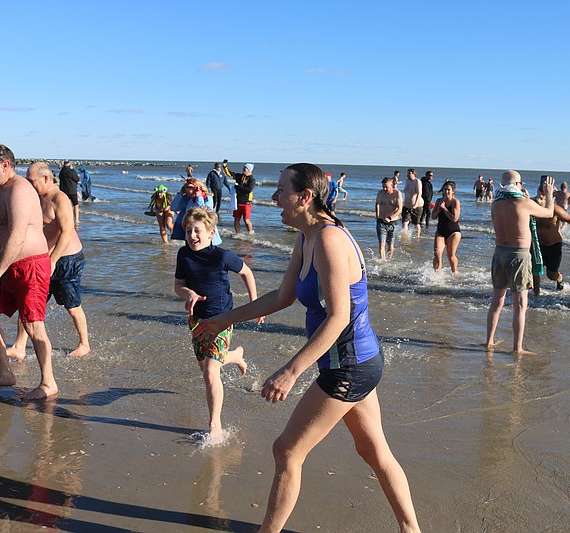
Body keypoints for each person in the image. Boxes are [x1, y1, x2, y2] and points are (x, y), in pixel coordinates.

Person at [192, 163, 420, 533]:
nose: (274, 197)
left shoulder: (330, 240)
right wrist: (223, 320)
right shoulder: (307, 236)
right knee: (374, 452)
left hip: (348, 366)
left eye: (281, 190)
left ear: (305, 197)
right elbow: (283, 296)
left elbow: (339, 317)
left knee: (287, 451)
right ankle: (411, 530)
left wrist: (290, 371)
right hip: (356, 361)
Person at [0, 142, 58, 399]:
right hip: (9, 267)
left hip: (30, 266)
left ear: (5, 165)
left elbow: (18, 235)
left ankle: (48, 384)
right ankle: (4, 373)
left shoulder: (19, 190)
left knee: (33, 326)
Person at [174, 208, 261, 438]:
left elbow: (247, 273)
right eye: (188, 230)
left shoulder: (223, 256)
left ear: (211, 233)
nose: (192, 235)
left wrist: (255, 304)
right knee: (206, 368)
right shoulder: (183, 255)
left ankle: (215, 425)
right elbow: (178, 285)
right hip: (196, 320)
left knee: (211, 372)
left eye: (197, 231)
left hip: (222, 318)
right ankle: (236, 356)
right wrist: (188, 294)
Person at [7, 162, 91, 359]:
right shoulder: (36, 197)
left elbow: (67, 232)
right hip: (43, 258)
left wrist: (53, 261)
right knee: (28, 303)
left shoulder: (59, 198)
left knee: (72, 306)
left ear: (46, 178)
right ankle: (19, 346)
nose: (28, 184)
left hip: (66, 260)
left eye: (31, 181)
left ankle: (84, 344)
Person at [486, 171, 555, 354]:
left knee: (496, 302)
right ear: (518, 183)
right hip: (519, 255)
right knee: (520, 304)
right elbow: (548, 213)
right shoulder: (524, 203)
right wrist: (548, 194)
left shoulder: (495, 204)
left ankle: (489, 342)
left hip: (499, 253)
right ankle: (517, 348)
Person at [533, 186, 570, 290]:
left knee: (551, 275)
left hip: (553, 245)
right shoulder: (532, 208)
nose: (541, 197)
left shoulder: (555, 210)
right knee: (535, 271)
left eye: (543, 195)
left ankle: (560, 280)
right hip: (538, 245)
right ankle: (536, 294)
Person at [431, 180, 461, 274]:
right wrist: (439, 209)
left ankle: (455, 272)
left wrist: (444, 209)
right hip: (440, 231)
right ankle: (437, 275)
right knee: (437, 253)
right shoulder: (439, 201)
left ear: (453, 191)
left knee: (450, 256)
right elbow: (433, 216)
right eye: (444, 190)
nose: (446, 192)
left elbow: (454, 219)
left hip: (454, 232)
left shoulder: (455, 202)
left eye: (448, 190)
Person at [375, 177, 402, 260]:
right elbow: (377, 204)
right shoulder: (380, 193)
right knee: (381, 243)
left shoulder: (397, 193)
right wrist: (377, 216)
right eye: (383, 187)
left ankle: (389, 259)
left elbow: (400, 209)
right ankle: (382, 260)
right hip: (381, 221)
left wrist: (390, 217)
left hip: (392, 222)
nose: (385, 189)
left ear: (392, 185)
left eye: (386, 187)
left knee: (390, 244)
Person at [225, 162, 256, 234]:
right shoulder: (240, 176)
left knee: (246, 220)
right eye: (243, 168)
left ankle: (250, 233)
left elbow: (248, 190)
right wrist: (225, 166)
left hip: (246, 203)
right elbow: (230, 174)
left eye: (245, 168)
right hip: (237, 202)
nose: (243, 170)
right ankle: (237, 233)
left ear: (249, 170)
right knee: (236, 219)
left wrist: (237, 186)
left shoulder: (252, 180)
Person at [401, 168, 424, 238]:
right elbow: (404, 192)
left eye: (409, 173)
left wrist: (415, 204)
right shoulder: (407, 181)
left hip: (416, 206)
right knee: (404, 222)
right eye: (407, 173)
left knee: (416, 223)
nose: (407, 175)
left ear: (414, 174)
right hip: (406, 205)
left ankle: (417, 237)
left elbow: (419, 193)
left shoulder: (417, 181)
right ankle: (404, 237)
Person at [58, 160, 81, 226]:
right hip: (72, 190)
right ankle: (76, 219)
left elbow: (60, 178)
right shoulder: (71, 171)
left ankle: (67, 219)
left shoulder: (62, 171)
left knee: (66, 205)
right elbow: (77, 179)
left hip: (64, 190)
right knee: (75, 205)